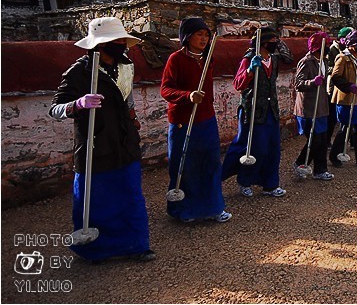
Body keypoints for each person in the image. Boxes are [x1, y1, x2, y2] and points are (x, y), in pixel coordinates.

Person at [49, 17, 155, 263]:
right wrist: (77, 104)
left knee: (130, 195)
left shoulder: (127, 65)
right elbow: (55, 109)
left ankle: (136, 244)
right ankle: (95, 249)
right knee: (94, 198)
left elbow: (126, 98)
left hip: (124, 139)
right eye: (116, 41)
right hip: (95, 143)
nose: (122, 45)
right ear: (101, 44)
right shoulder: (78, 72)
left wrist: (133, 117)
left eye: (122, 40)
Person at [161, 17, 231, 223]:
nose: (204, 39)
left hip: (206, 118)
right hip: (183, 120)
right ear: (187, 36)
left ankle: (214, 207)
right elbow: (166, 89)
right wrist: (188, 96)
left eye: (206, 35)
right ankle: (183, 209)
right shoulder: (176, 59)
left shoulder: (208, 59)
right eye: (199, 34)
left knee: (210, 163)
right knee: (184, 165)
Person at [222, 26, 294, 197]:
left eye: (277, 41)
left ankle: (270, 184)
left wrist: (280, 42)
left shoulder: (274, 60)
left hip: (271, 109)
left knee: (273, 148)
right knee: (254, 148)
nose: (275, 44)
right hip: (253, 109)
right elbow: (238, 84)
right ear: (262, 43)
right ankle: (244, 181)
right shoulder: (249, 59)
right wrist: (249, 71)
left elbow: (289, 58)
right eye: (272, 41)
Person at [329, 29, 357, 168]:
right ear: (354, 44)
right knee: (345, 128)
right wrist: (349, 86)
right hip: (346, 96)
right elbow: (335, 77)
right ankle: (334, 156)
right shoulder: (343, 58)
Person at [293, 32, 335, 181]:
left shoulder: (324, 61)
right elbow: (298, 84)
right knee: (314, 139)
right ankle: (300, 163)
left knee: (322, 139)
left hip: (321, 106)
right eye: (327, 45)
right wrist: (311, 82)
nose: (329, 47)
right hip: (309, 108)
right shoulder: (306, 62)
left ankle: (320, 169)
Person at [326, 26, 352, 147]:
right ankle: (328, 141)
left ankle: (350, 140)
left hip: (346, 84)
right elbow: (327, 67)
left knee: (349, 114)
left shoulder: (348, 49)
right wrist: (339, 67)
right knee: (332, 116)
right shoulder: (332, 49)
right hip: (333, 86)